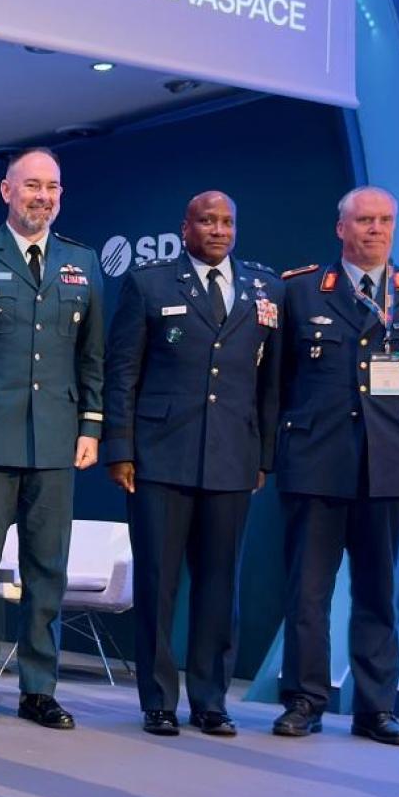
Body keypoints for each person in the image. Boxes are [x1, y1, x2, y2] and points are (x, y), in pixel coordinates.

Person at [272, 186, 399, 746]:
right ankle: (304, 701)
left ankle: (376, 709)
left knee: (378, 591)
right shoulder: (301, 290)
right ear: (341, 228)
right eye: (363, 221)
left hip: (391, 465)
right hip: (317, 463)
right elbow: (278, 380)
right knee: (308, 592)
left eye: (384, 220)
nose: (375, 230)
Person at [0, 146, 104, 731]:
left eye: (52, 187)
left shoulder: (82, 261)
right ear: (6, 191)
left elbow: (92, 357)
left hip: (56, 438)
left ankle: (38, 688)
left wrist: (91, 426)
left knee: (47, 570)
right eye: (32, 186)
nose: (43, 197)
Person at [103, 191, 280, 737]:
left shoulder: (264, 288)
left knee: (220, 586)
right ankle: (158, 700)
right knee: (157, 584)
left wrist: (263, 456)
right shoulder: (149, 283)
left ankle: (211, 700)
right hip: (160, 457)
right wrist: (121, 448)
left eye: (227, 221)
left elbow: (270, 383)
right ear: (186, 228)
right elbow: (122, 372)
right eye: (208, 221)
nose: (219, 230)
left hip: (232, 458)